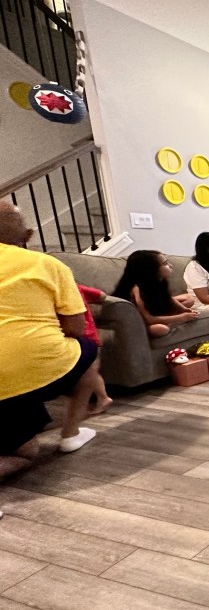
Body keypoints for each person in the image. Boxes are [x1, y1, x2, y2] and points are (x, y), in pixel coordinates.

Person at [0, 201, 104, 477]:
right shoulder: (45, 264)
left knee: (23, 444)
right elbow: (76, 328)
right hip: (29, 369)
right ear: (28, 235)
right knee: (89, 348)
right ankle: (70, 433)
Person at [112, 250, 199, 337]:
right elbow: (149, 319)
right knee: (161, 329)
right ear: (151, 269)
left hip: (155, 311)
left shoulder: (159, 281)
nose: (170, 265)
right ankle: (167, 319)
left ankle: (167, 318)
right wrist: (182, 317)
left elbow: (169, 298)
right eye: (165, 264)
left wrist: (184, 309)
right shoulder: (137, 288)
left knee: (189, 299)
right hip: (141, 321)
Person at [77, 284, 113, 414]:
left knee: (90, 372)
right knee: (91, 370)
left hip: (80, 338)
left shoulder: (58, 291)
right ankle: (100, 398)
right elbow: (102, 295)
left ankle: (102, 398)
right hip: (92, 336)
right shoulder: (77, 287)